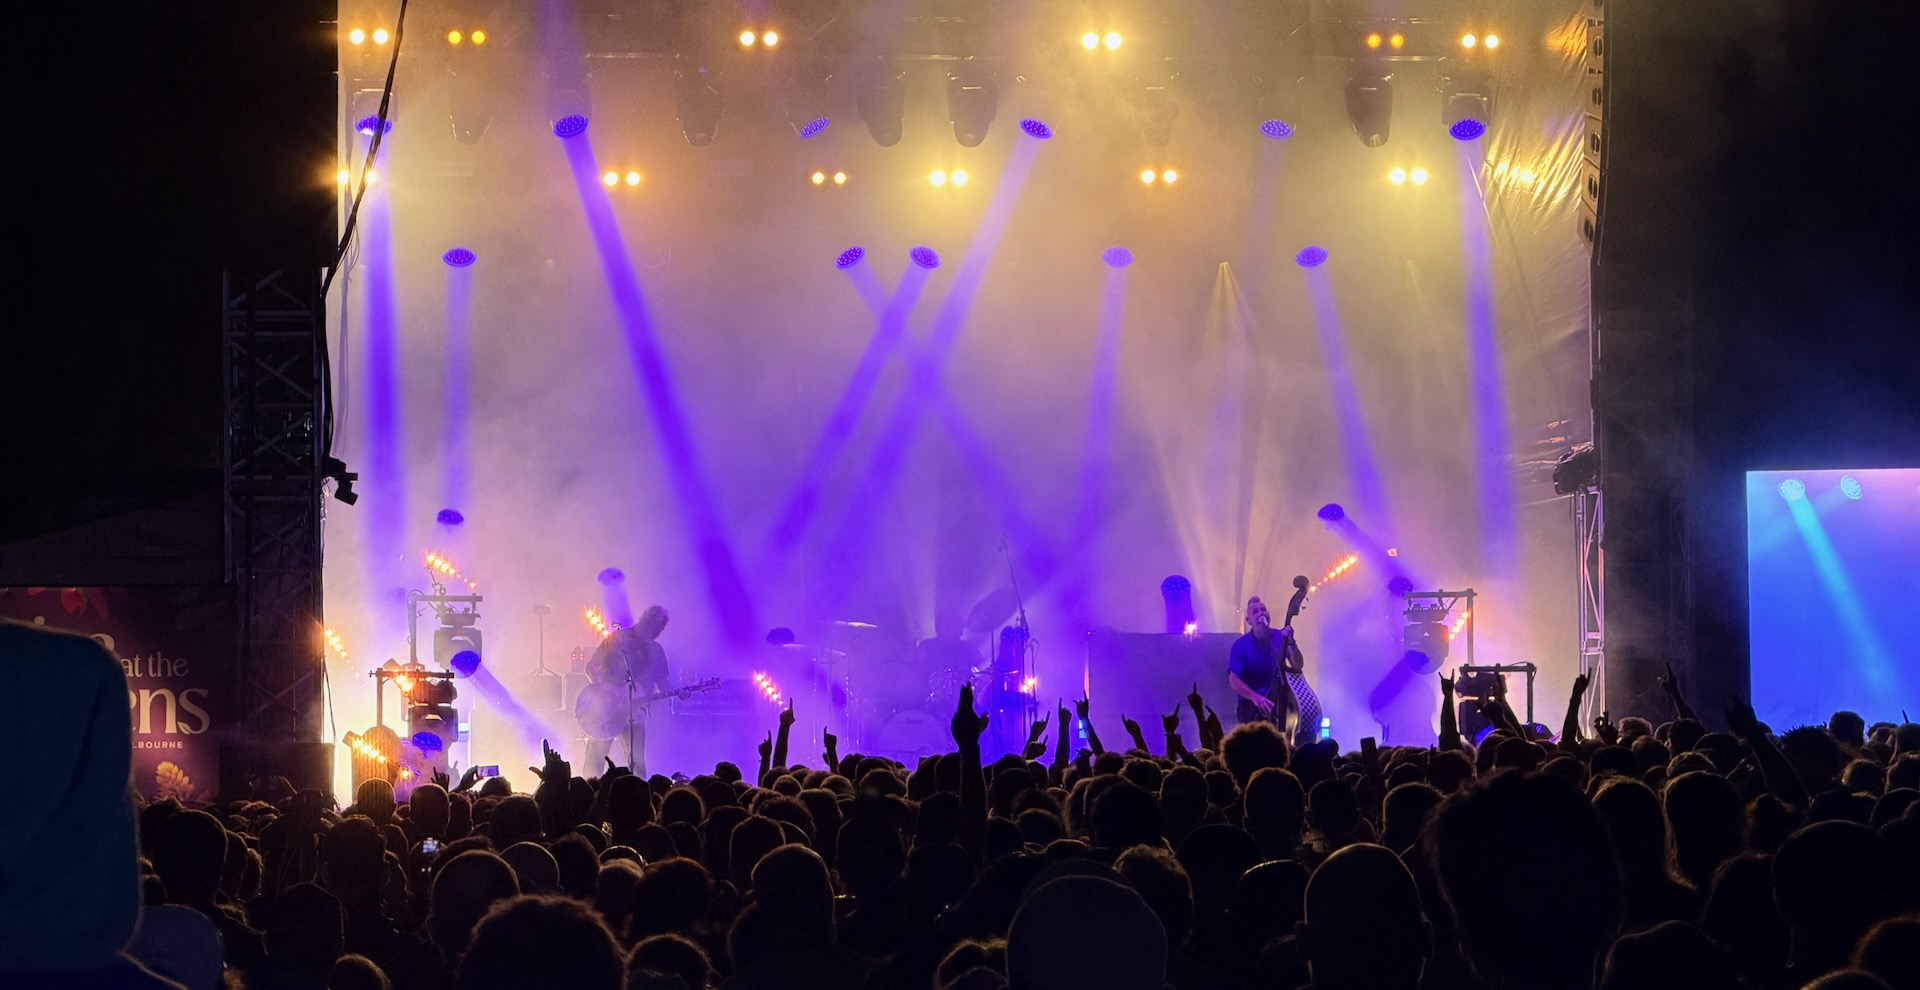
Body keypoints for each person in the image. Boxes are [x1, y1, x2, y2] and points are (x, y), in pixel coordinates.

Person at [578, 605, 671, 775]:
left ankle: (638, 790)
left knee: (637, 762)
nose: (655, 634)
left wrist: (679, 693)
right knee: (595, 759)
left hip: (636, 713)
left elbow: (664, 684)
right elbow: (591, 667)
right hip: (606, 710)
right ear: (644, 621)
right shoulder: (617, 639)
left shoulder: (656, 650)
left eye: (659, 630)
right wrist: (607, 692)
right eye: (653, 628)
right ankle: (588, 789)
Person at [1227, 593, 1320, 745]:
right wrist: (1255, 698)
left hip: (1280, 702)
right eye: (1255, 612)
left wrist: (1291, 642)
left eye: (1263, 609)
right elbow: (1233, 680)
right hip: (1252, 705)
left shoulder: (1280, 637)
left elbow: (1297, 665)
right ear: (1249, 621)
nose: (1261, 613)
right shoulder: (1240, 645)